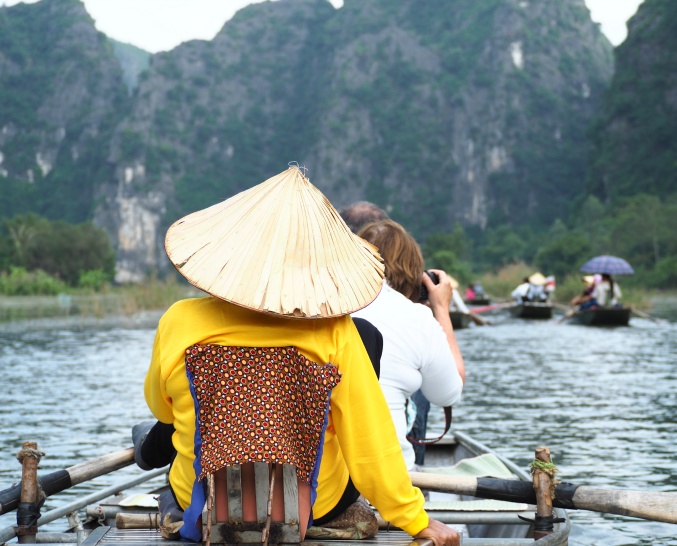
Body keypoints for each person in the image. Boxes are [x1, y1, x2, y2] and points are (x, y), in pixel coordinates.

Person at [133, 166, 461, 546]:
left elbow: (163, 409)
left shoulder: (179, 320)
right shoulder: (336, 331)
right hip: (313, 505)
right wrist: (415, 519)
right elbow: (370, 442)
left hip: (202, 500)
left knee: (179, 452)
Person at [352, 220, 466, 470]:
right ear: (416, 276)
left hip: (323, 480)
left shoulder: (324, 307)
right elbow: (449, 393)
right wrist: (441, 311)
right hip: (390, 475)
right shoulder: (415, 318)